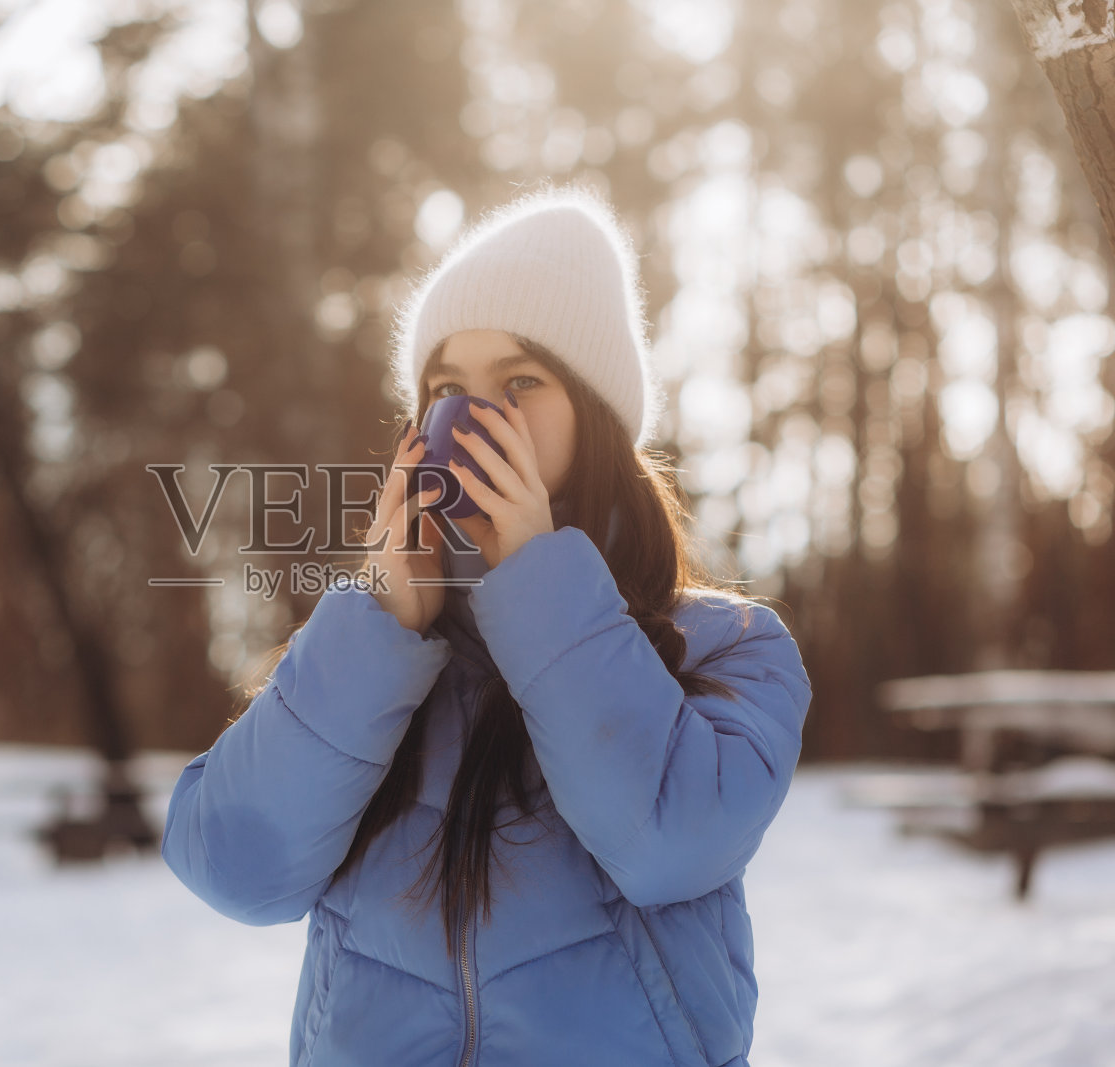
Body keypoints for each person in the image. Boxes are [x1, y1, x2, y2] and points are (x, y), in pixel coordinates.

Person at [161, 185, 813, 1067]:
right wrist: (381, 619)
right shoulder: (382, 649)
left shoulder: (727, 645)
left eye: (520, 383)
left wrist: (539, 583)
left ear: (596, 414)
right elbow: (234, 868)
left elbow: (670, 843)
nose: (474, 418)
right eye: (446, 389)